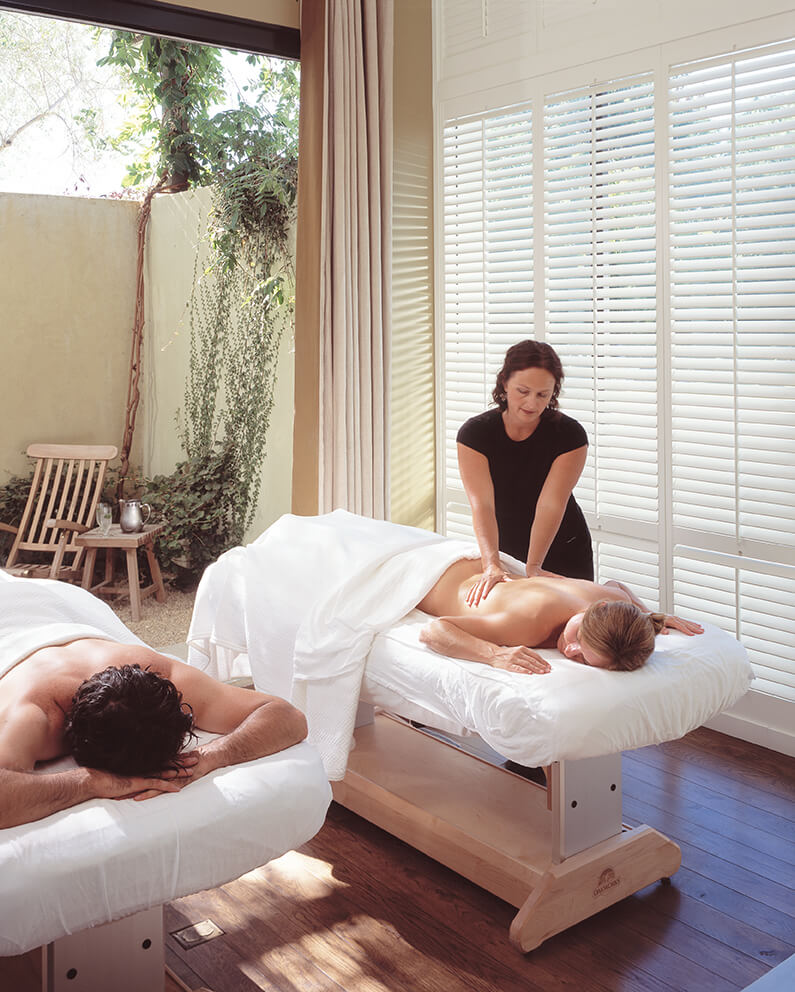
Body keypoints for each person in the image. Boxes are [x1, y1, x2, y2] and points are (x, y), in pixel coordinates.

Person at [0, 637, 308, 829]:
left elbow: (288, 716)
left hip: (76, 618)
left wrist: (213, 755)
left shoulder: (154, 677)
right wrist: (91, 782)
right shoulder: (31, 715)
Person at [457, 339, 593, 607]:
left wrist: (535, 567)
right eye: (523, 391)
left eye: (543, 394)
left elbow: (551, 504)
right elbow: (482, 505)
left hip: (562, 546)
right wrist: (491, 563)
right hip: (505, 549)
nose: (532, 403)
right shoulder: (475, 434)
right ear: (504, 383)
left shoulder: (569, 435)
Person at [417, 557, 703, 675]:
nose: (569, 649)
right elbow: (434, 631)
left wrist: (647, 617)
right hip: (431, 574)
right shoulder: (529, 621)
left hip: (482, 565)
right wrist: (494, 655)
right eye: (579, 637)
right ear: (598, 609)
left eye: (581, 658)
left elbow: (618, 586)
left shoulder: (613, 602)